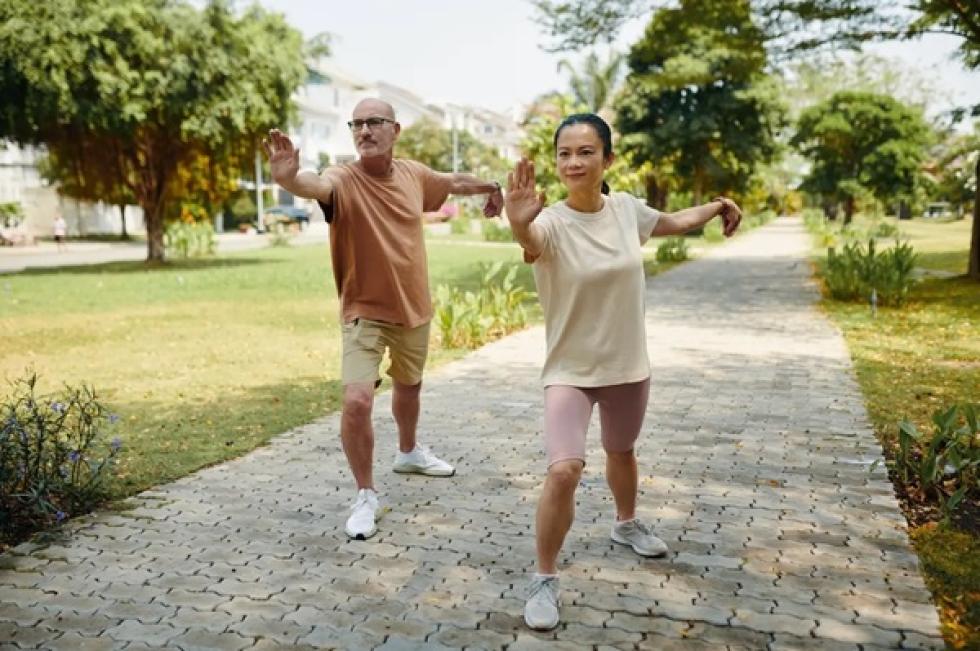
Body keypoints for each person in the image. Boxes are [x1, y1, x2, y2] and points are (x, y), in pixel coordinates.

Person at [502, 113, 742, 630]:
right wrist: (518, 219)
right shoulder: (550, 224)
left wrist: (720, 204)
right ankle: (544, 576)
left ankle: (626, 524)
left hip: (628, 366)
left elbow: (676, 221)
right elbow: (529, 238)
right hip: (569, 369)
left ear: (607, 159)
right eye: (564, 153)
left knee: (622, 451)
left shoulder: (626, 210)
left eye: (586, 152)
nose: (573, 162)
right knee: (564, 469)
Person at [263, 99, 503, 541]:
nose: (364, 131)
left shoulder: (413, 174)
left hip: (412, 307)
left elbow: (452, 181)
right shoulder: (343, 179)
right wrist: (287, 178)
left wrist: (492, 185)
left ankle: (409, 451)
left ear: (395, 129)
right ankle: (366, 494)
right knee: (356, 401)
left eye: (374, 123)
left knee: (409, 387)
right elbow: (313, 185)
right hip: (363, 312)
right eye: (356, 124)